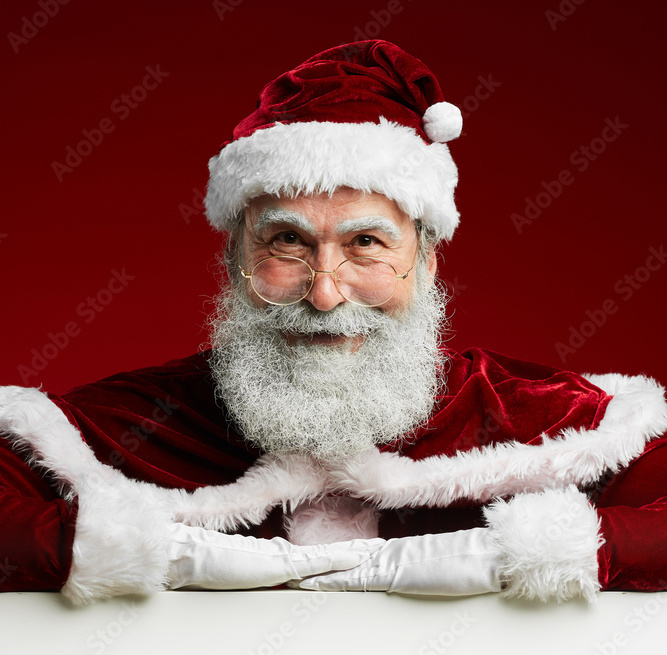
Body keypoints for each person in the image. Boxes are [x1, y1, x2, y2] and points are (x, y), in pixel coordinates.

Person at [1, 39, 666, 606]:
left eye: (366, 244)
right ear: (234, 260)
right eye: (285, 243)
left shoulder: (543, 417)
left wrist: (527, 551)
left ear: (426, 262)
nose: (324, 294)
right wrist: (154, 553)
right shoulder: (132, 419)